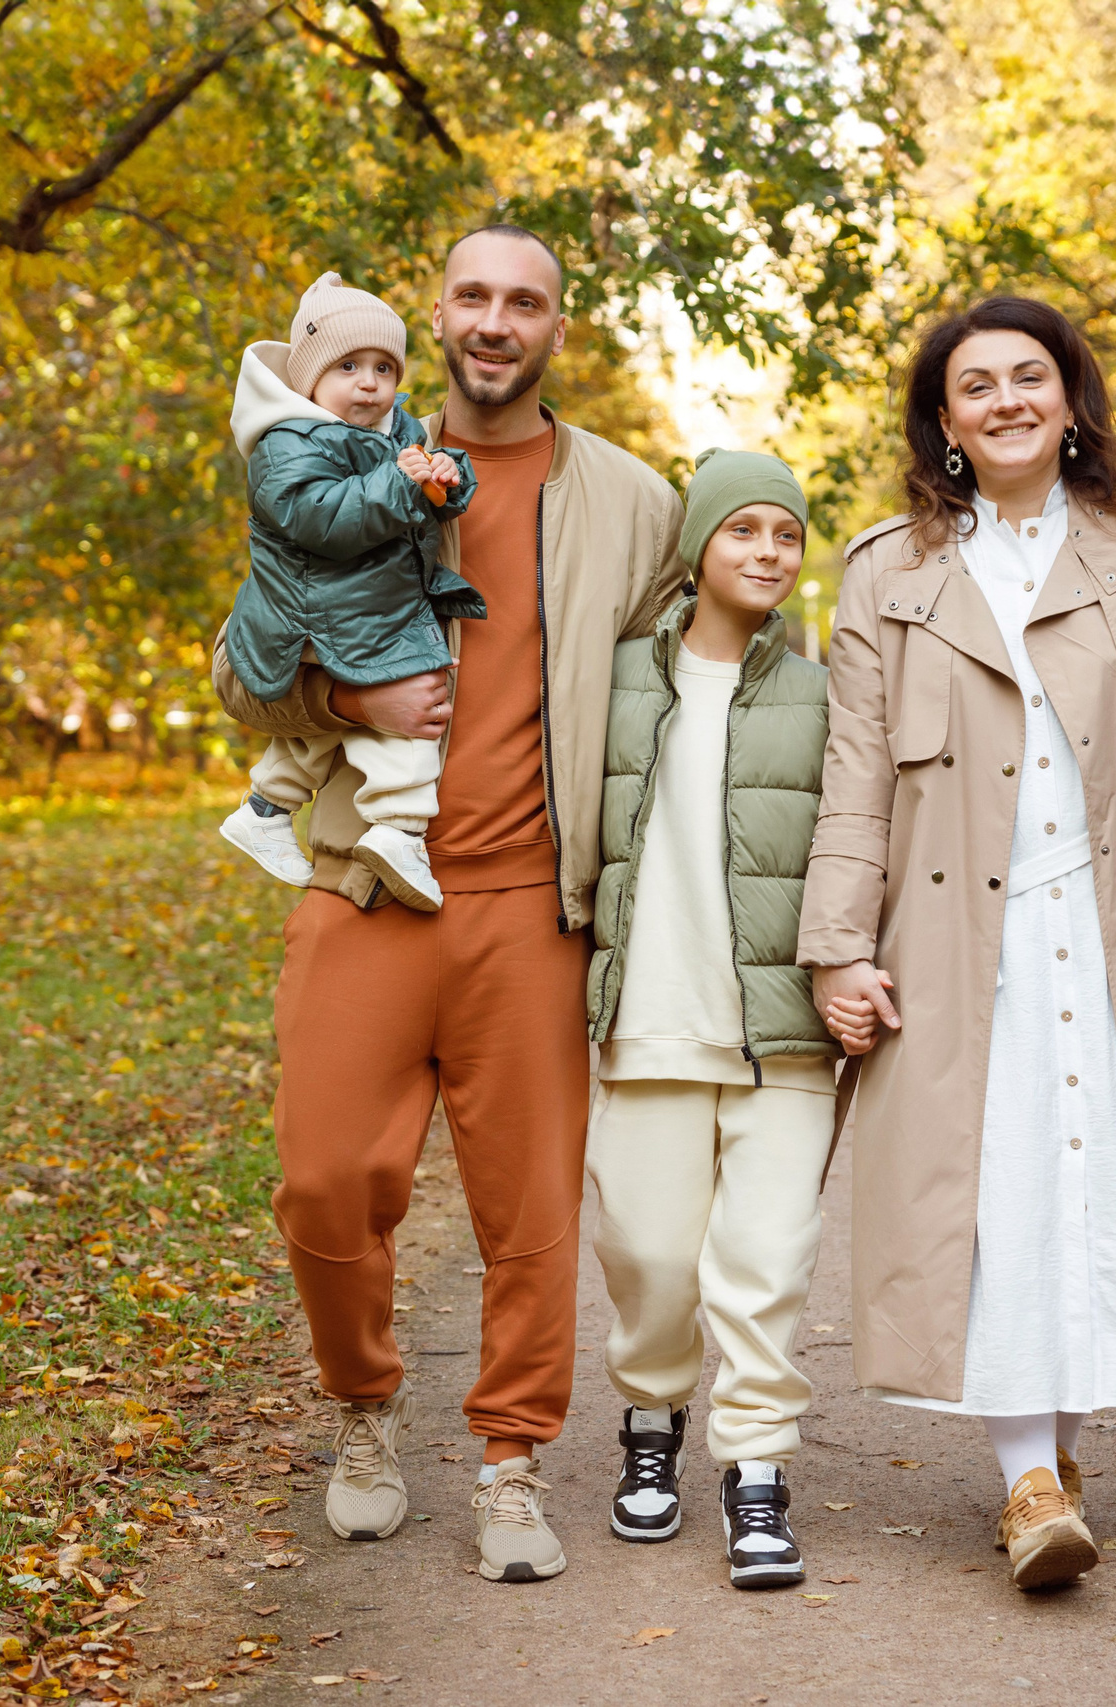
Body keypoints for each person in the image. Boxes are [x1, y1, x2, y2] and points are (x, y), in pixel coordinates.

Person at [797, 296, 1116, 1592]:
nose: (1007, 400)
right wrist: (839, 945)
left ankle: (1056, 1459)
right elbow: (855, 774)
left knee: (1101, 1185)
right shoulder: (887, 570)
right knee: (992, 1189)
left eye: (1030, 376)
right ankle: (1026, 1476)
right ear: (944, 421)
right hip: (962, 936)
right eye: (977, 385)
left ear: (1071, 399)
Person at [211, 225, 685, 1584]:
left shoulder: (633, 502)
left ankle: (510, 1460)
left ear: (555, 327)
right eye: (472, 296)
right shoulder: (343, 454)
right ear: (438, 315)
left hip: (531, 904)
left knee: (528, 1211)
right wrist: (342, 698)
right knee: (323, 1183)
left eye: (523, 302)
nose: (495, 320)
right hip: (366, 885)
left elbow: (696, 679)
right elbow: (242, 668)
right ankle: (362, 1412)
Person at [583, 450, 837, 1590]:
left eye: (785, 535)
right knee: (646, 1252)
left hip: (780, 1029)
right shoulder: (615, 678)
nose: (767, 553)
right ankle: (651, 1419)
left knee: (765, 1258)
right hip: (648, 1016)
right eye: (743, 530)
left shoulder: (825, 693)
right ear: (697, 546)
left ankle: (758, 1471)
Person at [217, 272, 482, 911]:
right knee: (415, 693)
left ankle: (265, 809)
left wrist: (445, 477)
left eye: (384, 368)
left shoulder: (395, 433)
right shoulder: (285, 444)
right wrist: (401, 483)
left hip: (353, 603)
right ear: (310, 378)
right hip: (315, 607)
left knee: (324, 730)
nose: (369, 383)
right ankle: (399, 828)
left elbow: (418, 504)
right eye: (348, 366)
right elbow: (324, 519)